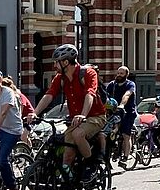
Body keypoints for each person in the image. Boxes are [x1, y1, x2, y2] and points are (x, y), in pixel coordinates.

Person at [28, 44, 106, 175]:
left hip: (95, 117)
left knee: (77, 134)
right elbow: (50, 94)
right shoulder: (60, 78)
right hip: (75, 121)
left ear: (65, 62)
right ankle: (67, 184)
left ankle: (91, 165)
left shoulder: (88, 73)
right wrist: (35, 113)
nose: (54, 66)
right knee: (67, 154)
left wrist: (83, 115)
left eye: (56, 63)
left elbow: (90, 93)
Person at [107, 66, 137, 161]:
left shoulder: (130, 84)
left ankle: (126, 156)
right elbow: (105, 96)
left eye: (121, 73)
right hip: (113, 112)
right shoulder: (112, 84)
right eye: (118, 73)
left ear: (126, 75)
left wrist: (122, 105)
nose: (119, 75)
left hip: (127, 112)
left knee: (125, 135)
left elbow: (127, 95)